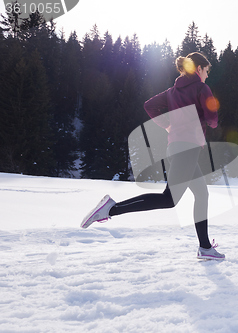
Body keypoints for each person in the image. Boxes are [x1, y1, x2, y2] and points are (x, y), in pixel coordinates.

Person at [80, 52, 224, 260]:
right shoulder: (202, 88)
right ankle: (111, 209)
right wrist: (206, 115)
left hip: (177, 147)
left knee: (201, 194)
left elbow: (149, 106)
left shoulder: (173, 91)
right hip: (187, 149)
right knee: (169, 199)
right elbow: (212, 120)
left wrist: (167, 125)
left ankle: (205, 247)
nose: (207, 76)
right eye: (207, 71)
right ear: (199, 68)